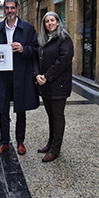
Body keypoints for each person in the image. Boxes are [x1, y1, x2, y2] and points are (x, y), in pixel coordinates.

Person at [0, 0, 39, 156]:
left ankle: (20, 141)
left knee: (21, 109)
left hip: (21, 75)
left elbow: (36, 50)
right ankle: (4, 142)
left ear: (17, 9)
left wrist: (24, 49)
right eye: (7, 8)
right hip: (2, 77)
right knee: (2, 110)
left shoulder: (28, 29)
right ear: (4, 9)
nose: (10, 10)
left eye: (12, 8)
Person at [33, 11, 74, 162]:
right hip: (45, 85)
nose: (49, 23)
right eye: (46, 21)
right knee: (50, 116)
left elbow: (64, 61)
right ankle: (50, 144)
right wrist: (37, 74)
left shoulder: (64, 39)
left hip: (58, 85)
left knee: (57, 116)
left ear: (58, 22)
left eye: (52, 20)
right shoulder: (43, 40)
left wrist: (47, 76)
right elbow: (36, 59)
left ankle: (55, 149)